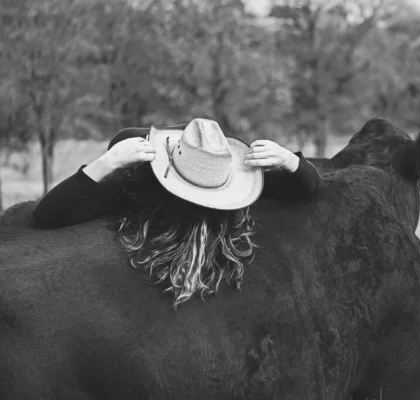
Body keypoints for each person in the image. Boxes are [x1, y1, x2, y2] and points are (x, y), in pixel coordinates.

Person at [32, 118, 322, 305]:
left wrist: (289, 159)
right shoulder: (143, 181)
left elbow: (308, 186)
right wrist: (107, 163)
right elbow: (48, 213)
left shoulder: (221, 172)